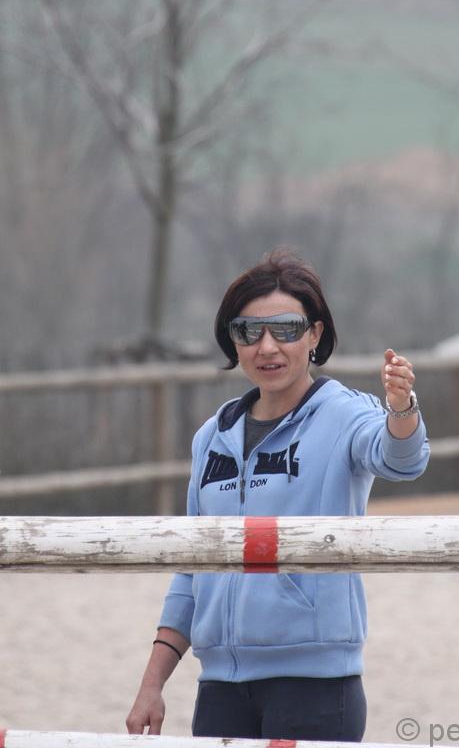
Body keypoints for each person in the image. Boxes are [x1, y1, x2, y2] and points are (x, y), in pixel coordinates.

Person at [126, 248, 430, 741]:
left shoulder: (344, 415)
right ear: (233, 340)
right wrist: (152, 684)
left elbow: (402, 460)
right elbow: (191, 570)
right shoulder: (211, 437)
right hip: (219, 687)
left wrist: (402, 408)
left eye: (286, 329)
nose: (267, 346)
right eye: (249, 331)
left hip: (315, 685)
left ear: (315, 335)